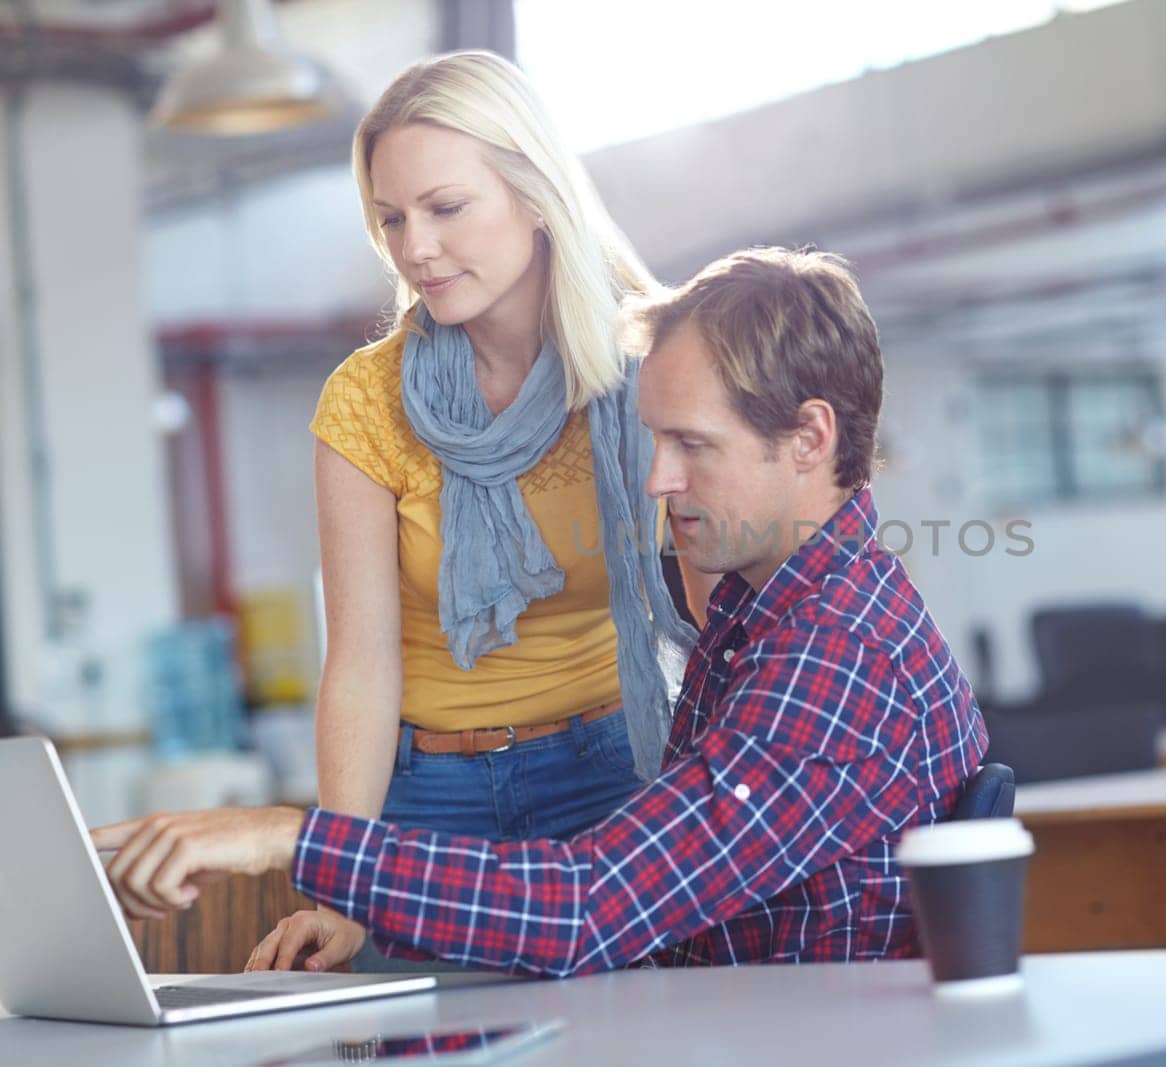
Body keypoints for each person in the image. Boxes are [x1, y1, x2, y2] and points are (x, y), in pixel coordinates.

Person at [94, 247, 988, 977]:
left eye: (692, 445)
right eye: (656, 437)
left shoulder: (838, 661)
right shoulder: (776, 612)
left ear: (809, 438)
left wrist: (289, 836)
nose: (655, 479)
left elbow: (586, 906)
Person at [266, 50, 707, 970]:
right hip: (429, 803)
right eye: (390, 217)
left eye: (445, 207)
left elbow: (723, 602)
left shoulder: (653, 360)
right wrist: (342, 880)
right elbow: (359, 661)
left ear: (536, 192)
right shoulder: (367, 400)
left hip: (614, 777)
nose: (413, 246)